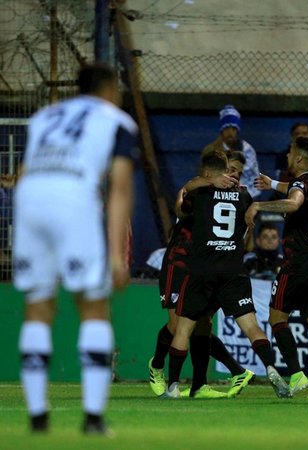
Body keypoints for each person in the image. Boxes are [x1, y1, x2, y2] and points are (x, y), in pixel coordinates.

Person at [12, 63, 137, 435]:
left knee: (38, 305)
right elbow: (119, 189)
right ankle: (93, 418)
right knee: (93, 305)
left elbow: (25, 171)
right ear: (111, 89)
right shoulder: (115, 120)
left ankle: (37, 418)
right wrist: (116, 255)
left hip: (29, 199)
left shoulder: (44, 117)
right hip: (73, 198)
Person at [162, 151, 291, 399]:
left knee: (183, 330)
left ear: (207, 172)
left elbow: (180, 210)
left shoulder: (200, 193)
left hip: (201, 271)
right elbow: (245, 228)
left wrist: (201, 186)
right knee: (252, 327)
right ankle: (271, 368)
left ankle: (173, 387)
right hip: (233, 271)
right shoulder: (244, 196)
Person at [148, 153, 256, 399]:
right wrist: (208, 182)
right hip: (180, 264)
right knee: (178, 325)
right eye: (229, 170)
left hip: (207, 267)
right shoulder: (195, 188)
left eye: (237, 172)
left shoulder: (235, 197)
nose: (232, 176)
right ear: (213, 173)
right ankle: (156, 366)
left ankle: (199, 385)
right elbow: (185, 194)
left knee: (203, 325)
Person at [247, 135, 308, 399]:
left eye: (290, 153)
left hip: (297, 262)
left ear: (298, 158)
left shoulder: (301, 183)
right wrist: (273, 183)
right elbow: (299, 190)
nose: (286, 157)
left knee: (277, 318)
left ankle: (297, 375)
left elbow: (295, 201)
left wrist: (259, 204)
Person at [202, 105, 260, 198]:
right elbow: (204, 175)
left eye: (233, 129)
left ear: (237, 131)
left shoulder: (247, 149)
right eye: (226, 128)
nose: (230, 133)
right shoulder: (210, 150)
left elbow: (250, 176)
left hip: (248, 194)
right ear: (221, 130)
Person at [272, 122, 308, 200]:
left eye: (304, 133)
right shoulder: (284, 155)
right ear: (292, 137)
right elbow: (280, 177)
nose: (300, 136)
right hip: (287, 193)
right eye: (296, 133)